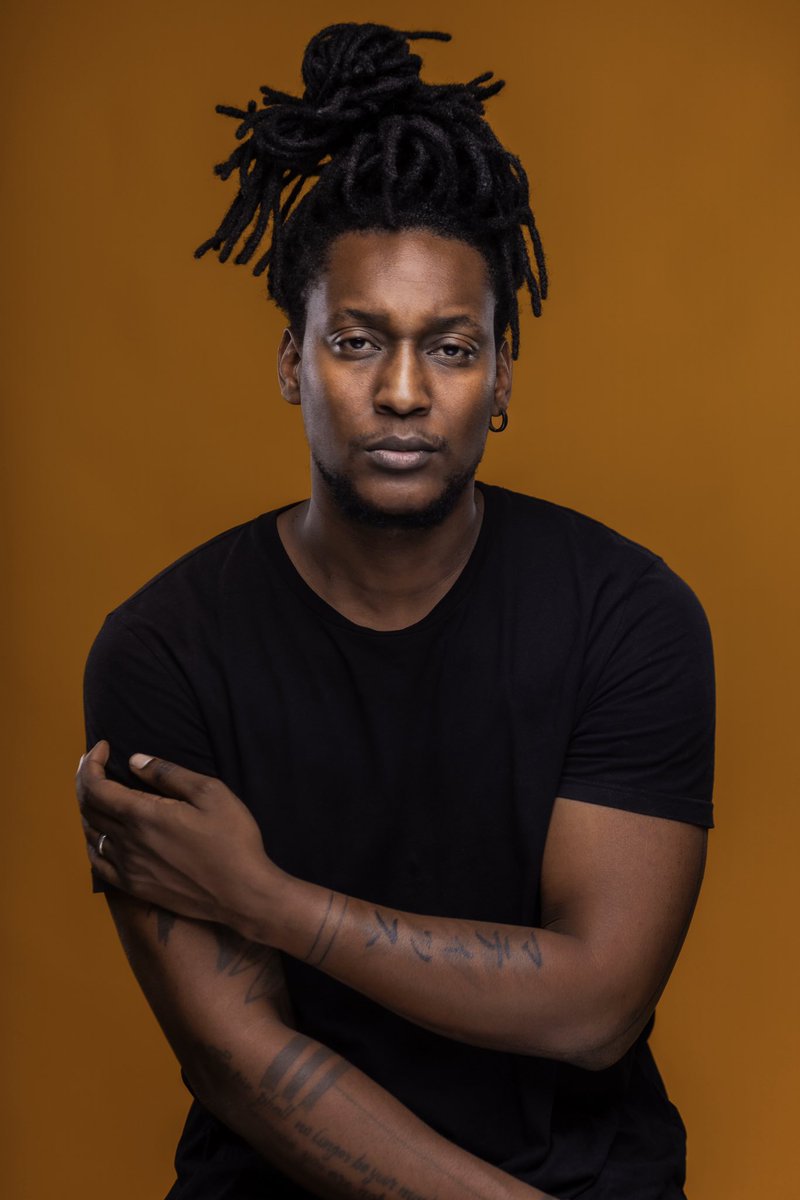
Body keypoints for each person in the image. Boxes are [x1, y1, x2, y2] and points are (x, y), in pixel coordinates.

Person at [76, 22, 715, 1200]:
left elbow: (594, 1009)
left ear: (502, 374)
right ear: (292, 361)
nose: (404, 392)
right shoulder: (165, 649)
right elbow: (235, 1060)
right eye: (357, 341)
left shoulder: (626, 616)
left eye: (451, 348)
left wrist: (266, 900)